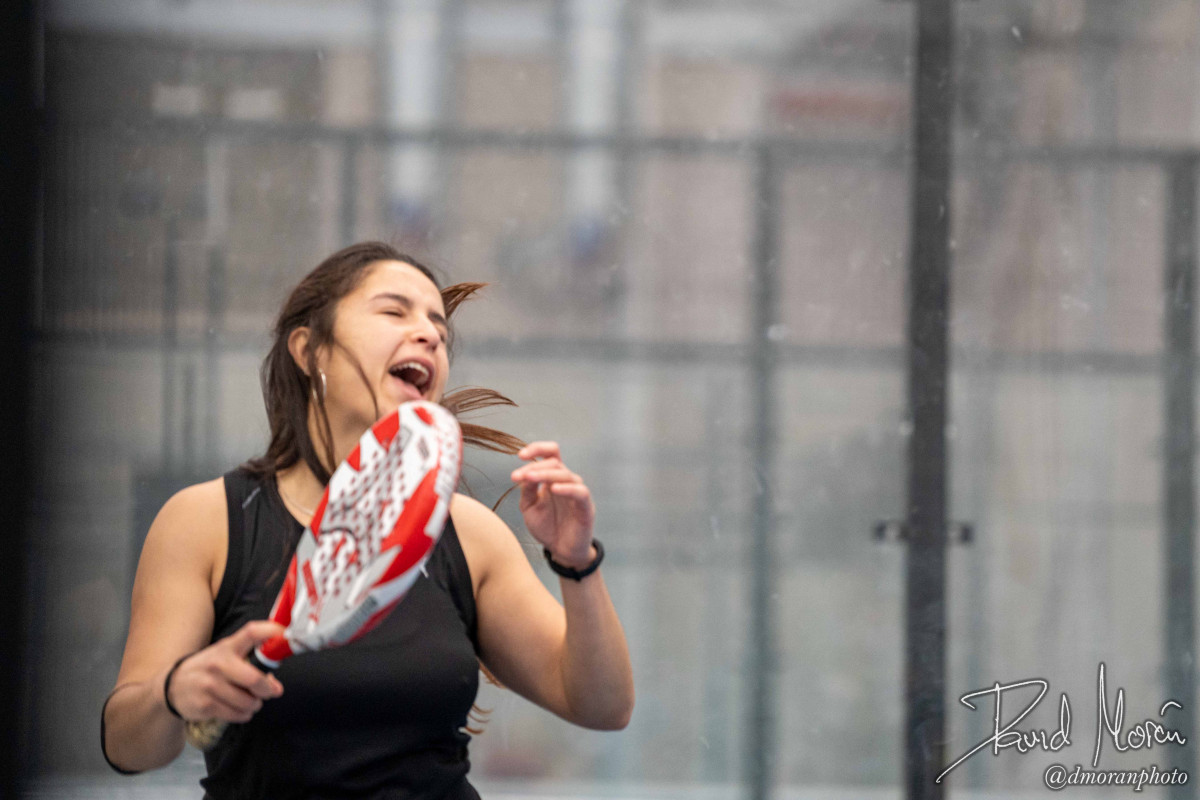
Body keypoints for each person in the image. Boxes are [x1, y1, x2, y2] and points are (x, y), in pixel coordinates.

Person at [101, 241, 635, 799]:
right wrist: (174, 693)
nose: (429, 333)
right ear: (309, 351)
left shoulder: (468, 533)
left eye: (439, 327)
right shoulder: (207, 520)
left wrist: (578, 564)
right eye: (393, 311)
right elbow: (126, 745)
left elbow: (601, 705)